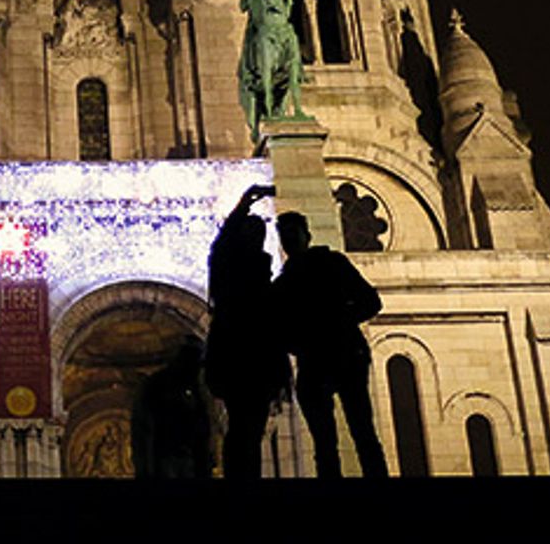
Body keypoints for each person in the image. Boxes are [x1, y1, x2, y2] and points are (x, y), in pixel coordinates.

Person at [271, 211, 388, 478]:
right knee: (325, 442)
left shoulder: (333, 264)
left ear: (307, 236)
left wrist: (339, 321)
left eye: (294, 232)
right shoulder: (282, 285)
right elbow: (279, 331)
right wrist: (301, 342)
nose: (289, 238)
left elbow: (371, 301)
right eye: (284, 234)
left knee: (362, 431)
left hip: (346, 355)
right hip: (314, 363)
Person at [205, 184, 290, 480]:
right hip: (238, 357)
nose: (257, 239)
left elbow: (274, 327)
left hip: (256, 360)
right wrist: (243, 205)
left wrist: (282, 373)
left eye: (260, 234)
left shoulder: (255, 272)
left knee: (250, 430)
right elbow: (221, 245)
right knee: (243, 428)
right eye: (252, 233)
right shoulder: (231, 270)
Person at [131, 335, 212, 478]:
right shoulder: (156, 386)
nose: (196, 369)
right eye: (193, 362)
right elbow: (145, 431)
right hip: (165, 460)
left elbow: (202, 431)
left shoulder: (195, 390)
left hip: (184, 461)